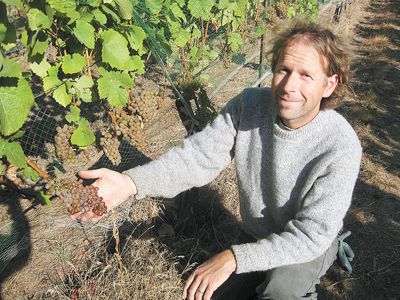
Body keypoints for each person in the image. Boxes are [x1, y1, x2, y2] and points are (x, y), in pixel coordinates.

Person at [73, 18, 362, 300]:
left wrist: (234, 257)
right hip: (257, 235)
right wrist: (131, 183)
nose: (289, 85)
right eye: (283, 70)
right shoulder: (249, 105)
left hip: (309, 242)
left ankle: (315, 267)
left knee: (282, 289)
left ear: (329, 84)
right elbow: (197, 158)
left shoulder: (340, 146)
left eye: (306, 75)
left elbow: (310, 235)